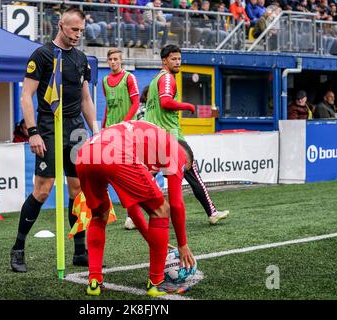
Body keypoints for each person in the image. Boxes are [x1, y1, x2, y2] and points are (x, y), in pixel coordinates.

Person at [10, 7, 99, 272]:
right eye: (74, 30)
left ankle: (80, 251)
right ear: (61, 25)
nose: (78, 35)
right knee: (43, 189)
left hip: (75, 130)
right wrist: (33, 131)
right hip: (48, 127)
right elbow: (26, 95)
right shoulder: (42, 54)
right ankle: (18, 249)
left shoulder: (82, 58)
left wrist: (96, 130)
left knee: (78, 190)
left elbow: (86, 99)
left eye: (81, 31)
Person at [75, 120, 196, 296]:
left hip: (85, 153)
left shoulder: (148, 148)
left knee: (98, 216)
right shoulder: (178, 152)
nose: (180, 173)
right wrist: (182, 245)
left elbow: (132, 208)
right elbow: (176, 204)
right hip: (113, 153)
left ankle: (94, 282)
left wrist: (151, 237)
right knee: (162, 210)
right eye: (184, 170)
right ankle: (156, 283)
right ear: (186, 157)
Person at [145, 44, 229, 225]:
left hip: (154, 136)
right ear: (164, 61)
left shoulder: (154, 81)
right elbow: (166, 102)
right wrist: (188, 106)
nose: (177, 62)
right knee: (193, 173)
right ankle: (212, 212)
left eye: (179, 59)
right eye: (173, 59)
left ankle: (131, 217)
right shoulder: (167, 78)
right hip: (171, 136)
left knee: (148, 176)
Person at [102, 48, 142, 231]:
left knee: (129, 173)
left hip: (126, 131)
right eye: (110, 59)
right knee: (108, 172)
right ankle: (103, 211)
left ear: (121, 60)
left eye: (116, 59)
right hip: (109, 132)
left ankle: (133, 215)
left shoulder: (129, 78)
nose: (113, 62)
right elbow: (108, 108)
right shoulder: (104, 80)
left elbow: (135, 103)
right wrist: (102, 127)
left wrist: (124, 124)